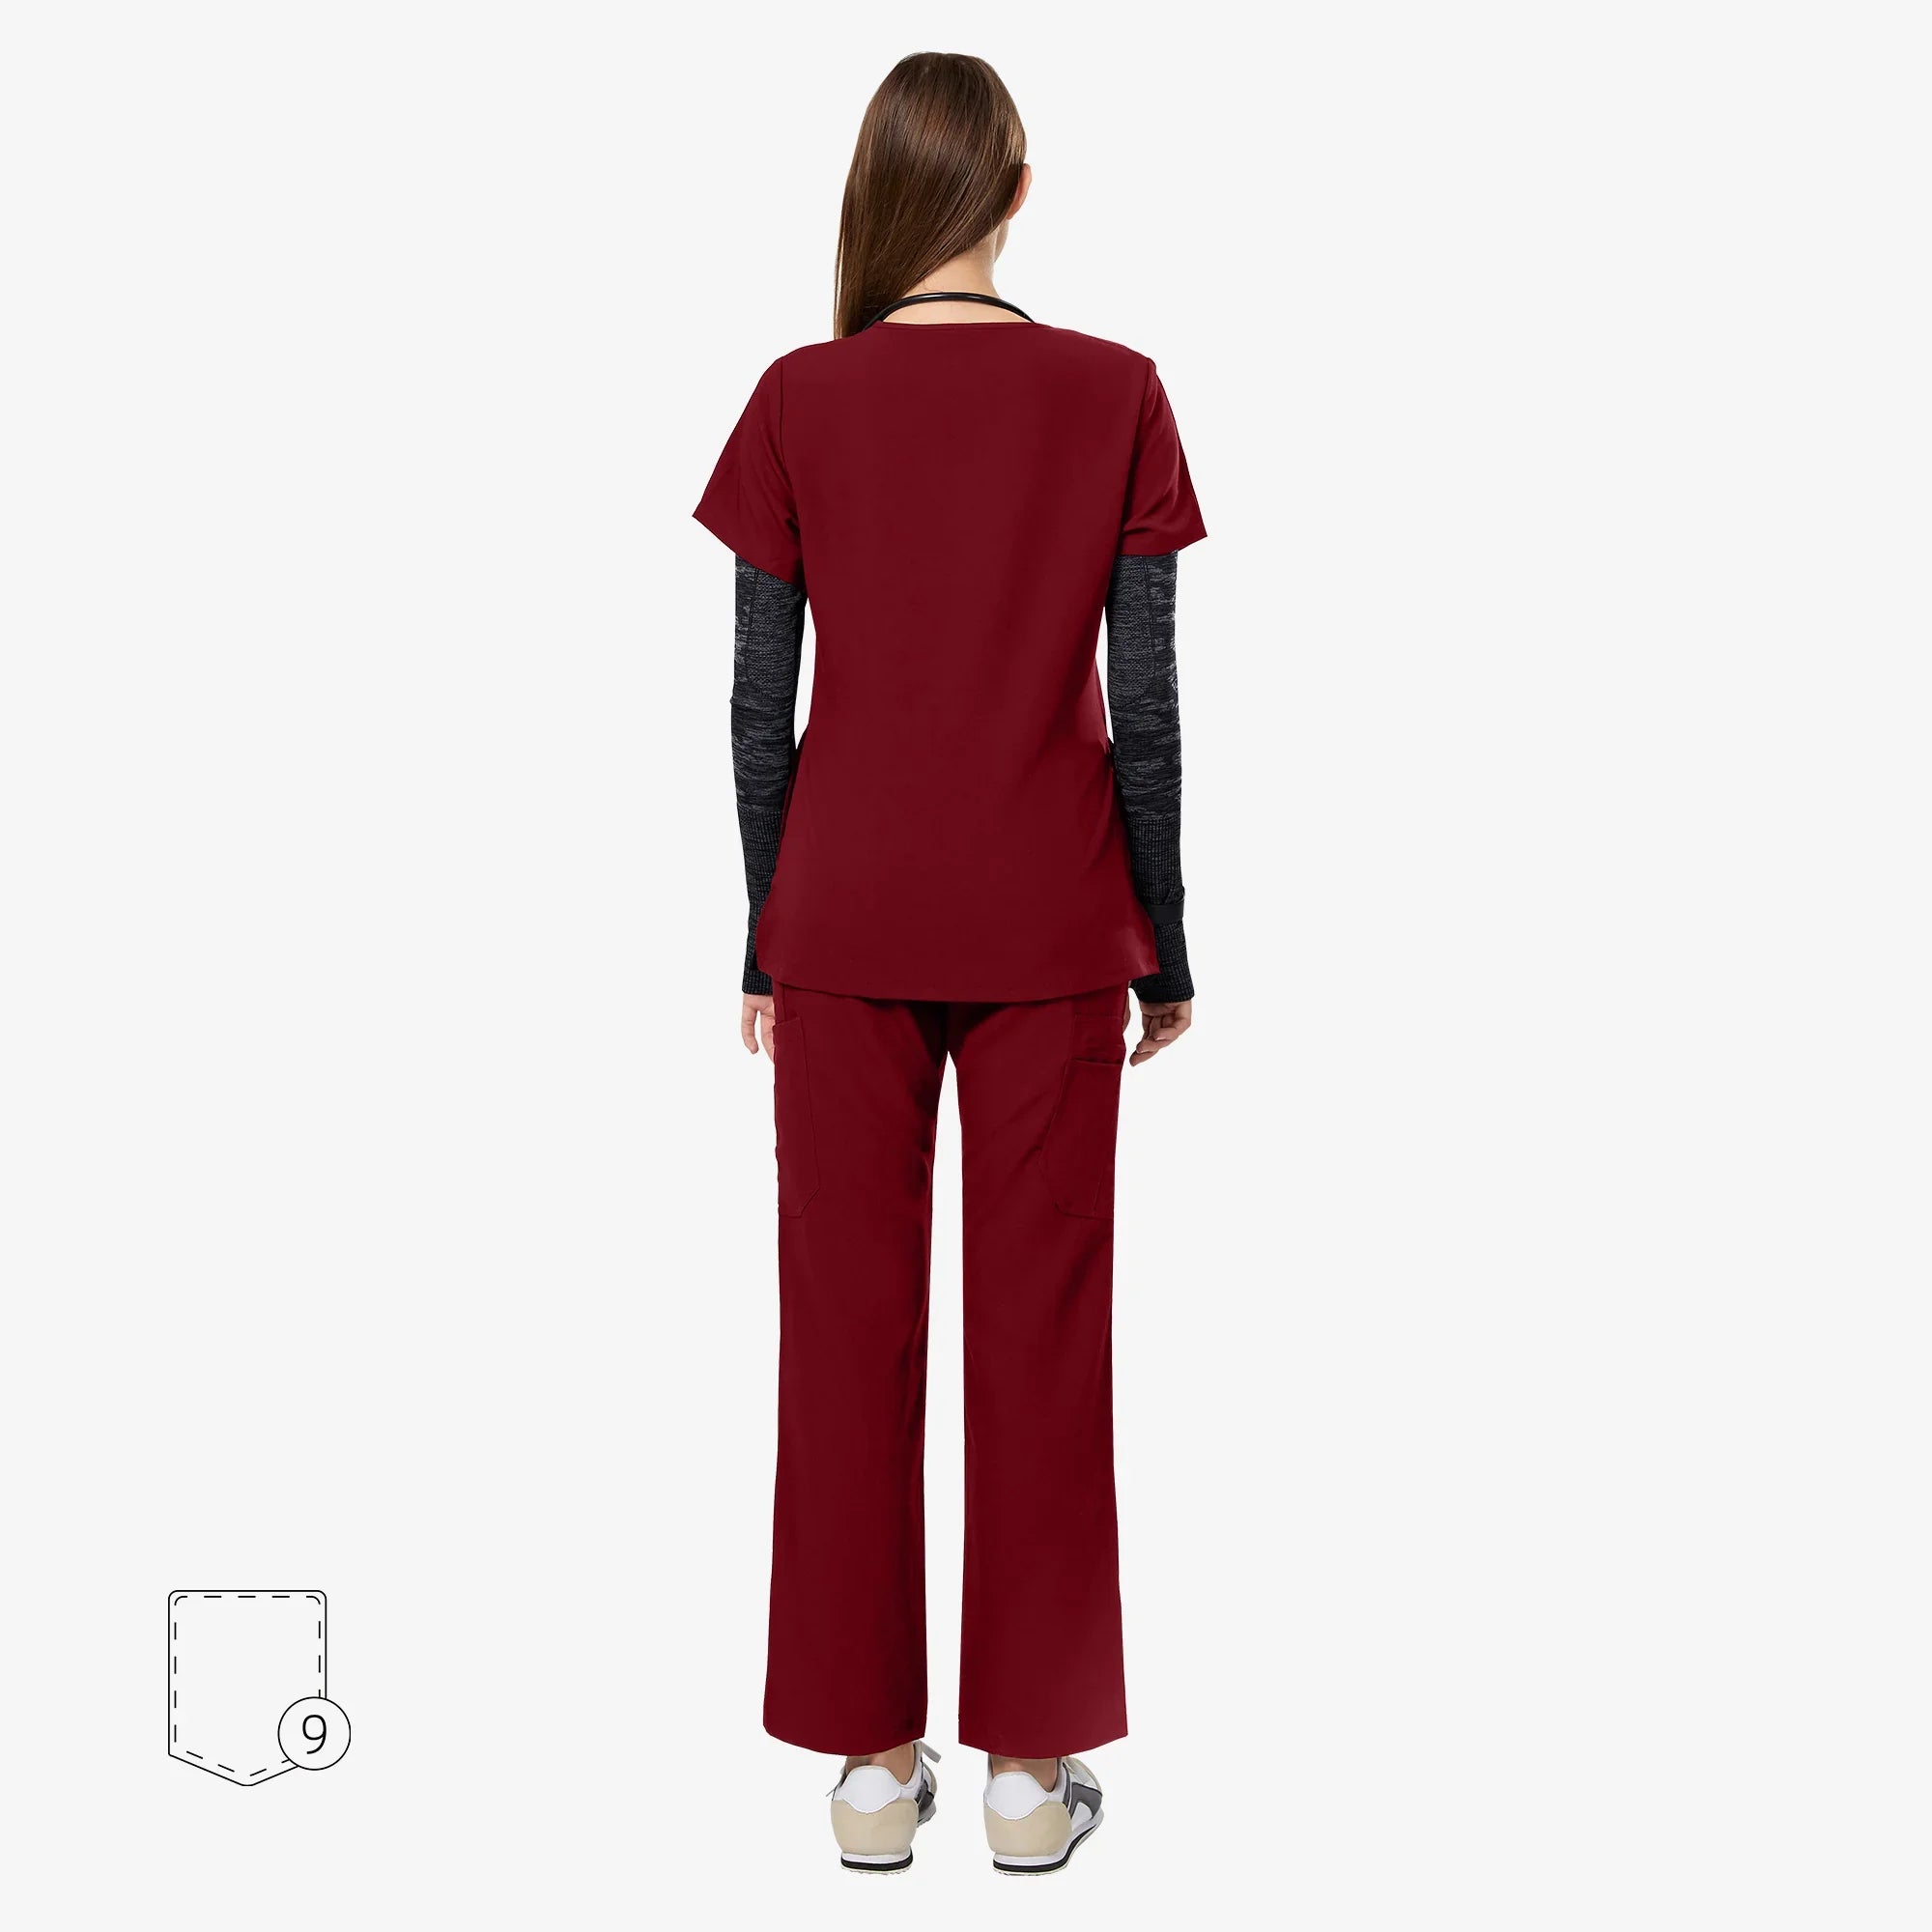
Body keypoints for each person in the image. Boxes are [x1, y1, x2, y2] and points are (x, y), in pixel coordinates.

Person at [694, 50, 1204, 1877]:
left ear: (881, 194)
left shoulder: (798, 398)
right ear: (1019, 187)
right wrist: (1166, 943)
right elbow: (1146, 702)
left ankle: (867, 1771)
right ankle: (1026, 1778)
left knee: (842, 1338)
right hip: (1055, 921)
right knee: (1046, 1337)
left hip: (839, 926)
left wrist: (765, 929)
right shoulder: (1115, 392)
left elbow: (759, 705)